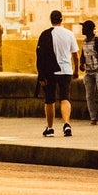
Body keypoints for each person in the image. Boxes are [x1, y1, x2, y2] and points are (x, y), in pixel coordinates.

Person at [35, 9, 77, 137]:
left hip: (50, 72)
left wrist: (41, 74)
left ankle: (50, 128)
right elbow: (75, 54)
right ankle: (66, 124)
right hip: (66, 70)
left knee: (49, 100)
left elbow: (40, 56)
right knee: (65, 98)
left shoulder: (45, 34)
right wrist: (76, 70)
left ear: (50, 19)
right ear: (61, 19)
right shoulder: (69, 34)